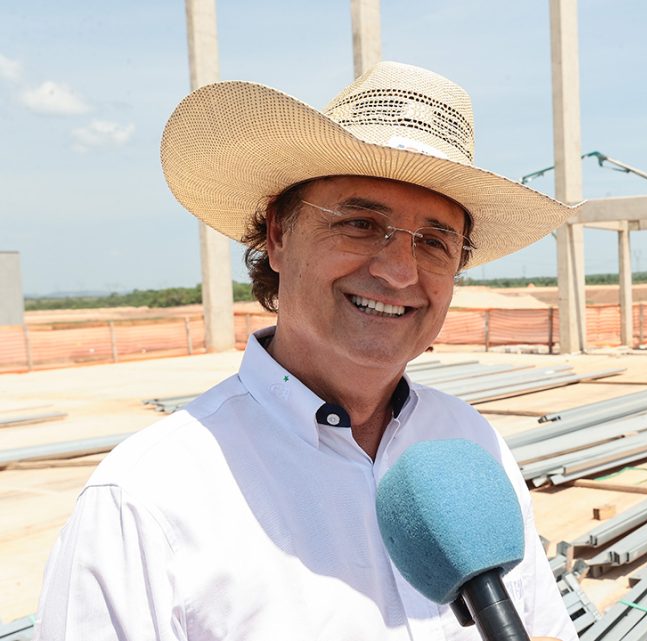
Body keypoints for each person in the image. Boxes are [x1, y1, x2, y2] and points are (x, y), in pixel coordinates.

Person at [35, 62, 578, 641]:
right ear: (278, 236)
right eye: (361, 224)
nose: (399, 271)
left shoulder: (473, 445)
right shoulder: (147, 498)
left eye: (434, 242)